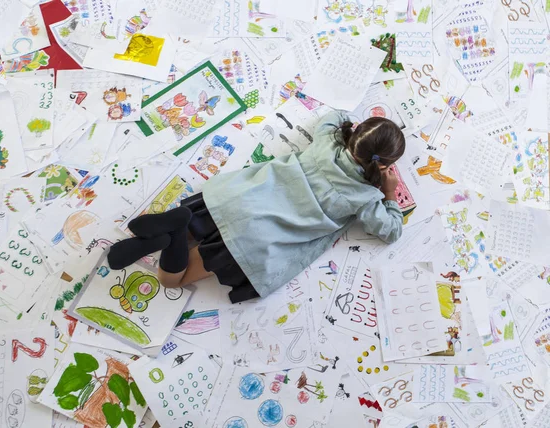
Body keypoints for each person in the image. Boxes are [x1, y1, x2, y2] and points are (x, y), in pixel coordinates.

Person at [108, 110, 406, 303]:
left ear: (354, 136)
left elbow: (335, 115)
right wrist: (388, 193)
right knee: (172, 281)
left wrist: (354, 129)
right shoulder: (365, 198)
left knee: (197, 227)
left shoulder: (327, 140)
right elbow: (391, 231)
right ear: (384, 165)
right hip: (253, 239)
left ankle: (169, 232)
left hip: (235, 199)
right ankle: (170, 237)